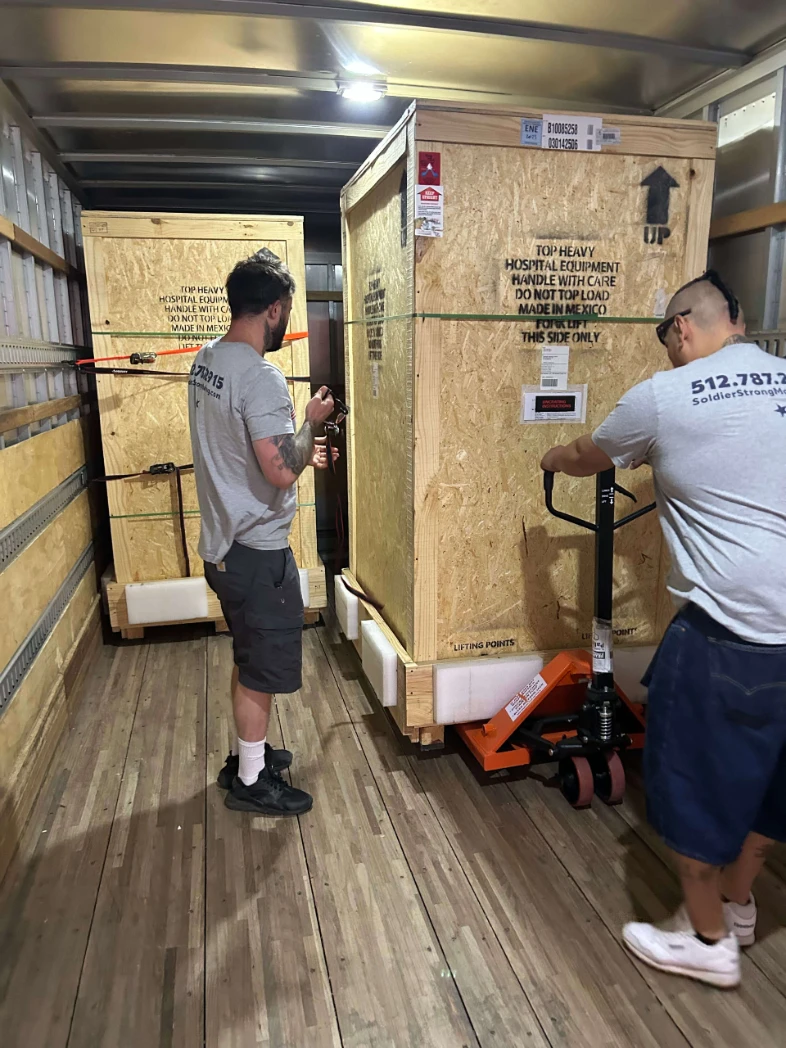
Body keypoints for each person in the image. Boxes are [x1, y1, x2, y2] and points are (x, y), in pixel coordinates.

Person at [541, 270, 786, 989]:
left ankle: (709, 939)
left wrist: (550, 457)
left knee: (688, 786)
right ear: (735, 319)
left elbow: (591, 455)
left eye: (671, 341)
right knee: (771, 786)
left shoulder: (664, 394)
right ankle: (739, 905)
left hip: (729, 637)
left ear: (682, 329)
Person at [188, 249, 337, 817]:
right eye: (286, 311)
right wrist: (310, 424)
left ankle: (247, 757)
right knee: (260, 671)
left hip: (224, 547)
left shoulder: (206, 361)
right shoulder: (261, 377)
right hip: (257, 553)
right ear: (273, 309)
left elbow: (243, 453)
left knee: (248, 657)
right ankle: (251, 782)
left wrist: (296, 451)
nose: (284, 322)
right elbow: (279, 468)